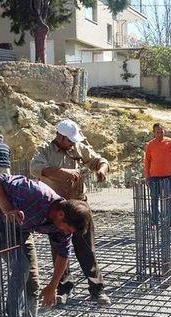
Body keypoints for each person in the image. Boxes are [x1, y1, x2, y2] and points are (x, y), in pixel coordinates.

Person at [0, 174, 92, 317]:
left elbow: (63, 254)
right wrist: (7, 209)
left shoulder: (64, 226)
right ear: (60, 214)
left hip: (23, 231)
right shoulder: (34, 193)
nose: (67, 233)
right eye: (67, 229)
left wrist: (52, 286)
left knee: (33, 283)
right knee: (21, 266)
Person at [30, 119, 111, 306]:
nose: (72, 143)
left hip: (79, 206)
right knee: (59, 250)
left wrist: (101, 170)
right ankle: (64, 287)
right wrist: (62, 172)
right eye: (69, 140)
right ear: (59, 136)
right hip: (58, 209)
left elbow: (100, 160)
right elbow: (36, 168)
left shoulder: (78, 147)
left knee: (86, 249)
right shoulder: (44, 150)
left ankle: (97, 288)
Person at [144, 123, 171, 229]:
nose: (160, 134)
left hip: (167, 176)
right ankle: (154, 222)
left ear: (165, 131)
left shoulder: (170, 142)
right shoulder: (150, 145)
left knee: (169, 199)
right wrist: (147, 176)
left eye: (161, 131)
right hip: (154, 176)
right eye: (157, 132)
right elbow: (147, 161)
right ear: (154, 133)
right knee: (154, 200)